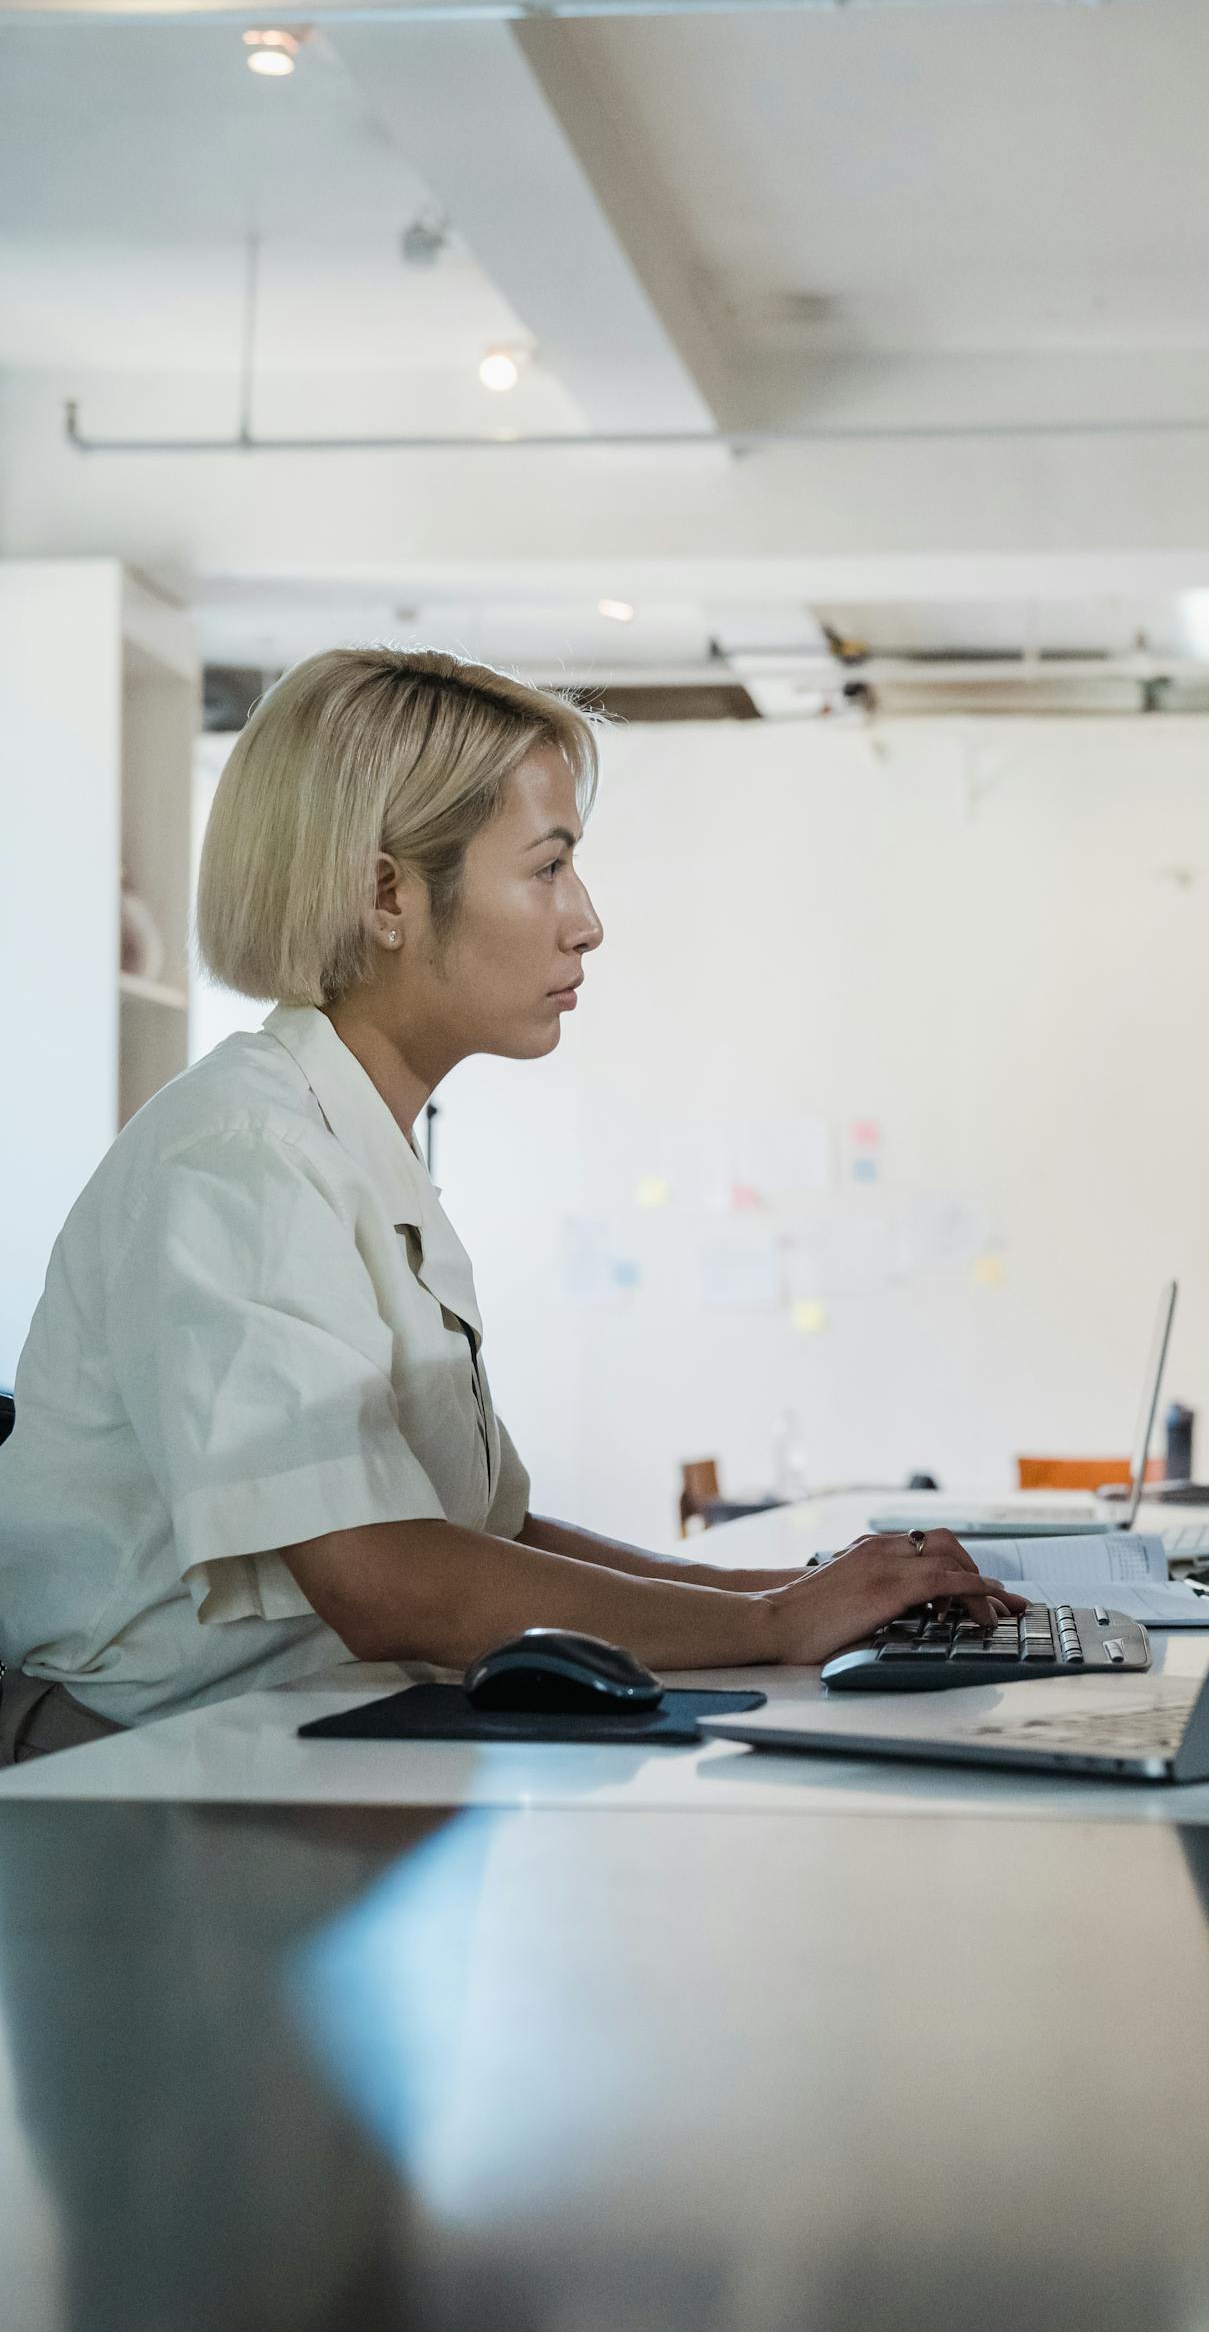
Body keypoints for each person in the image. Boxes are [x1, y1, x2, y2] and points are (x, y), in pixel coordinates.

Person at [0, 647, 1013, 1762]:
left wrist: (786, 1589)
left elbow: (492, 1534)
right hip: (129, 1766)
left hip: (305, 1739)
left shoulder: (351, 1143)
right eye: (548, 868)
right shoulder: (241, 1155)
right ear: (387, 894)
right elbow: (385, 1578)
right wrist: (769, 1625)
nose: (586, 921)